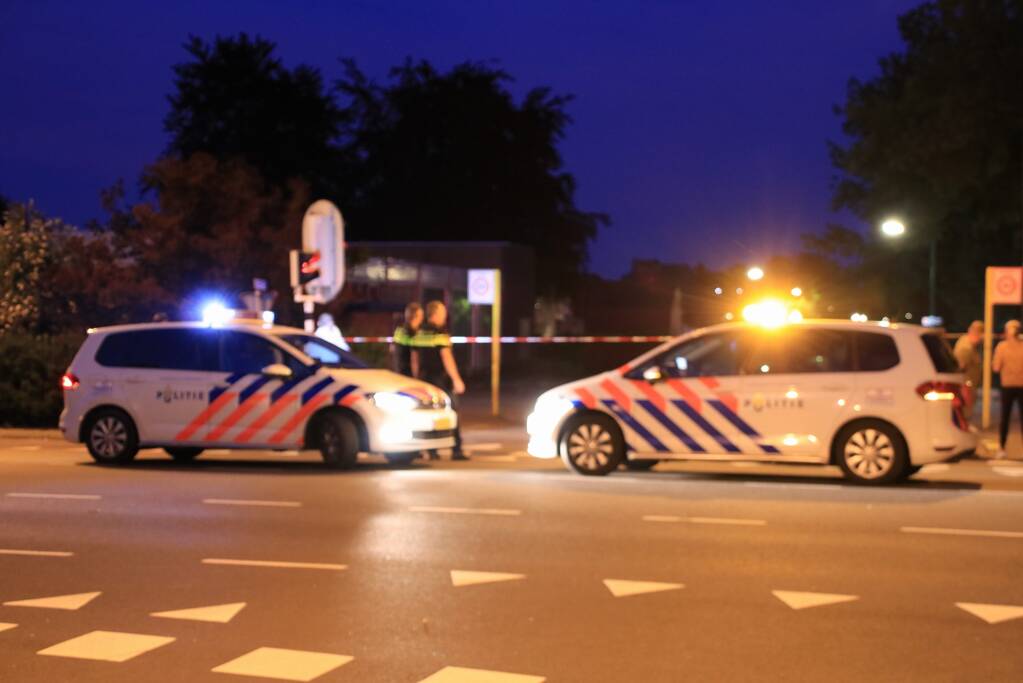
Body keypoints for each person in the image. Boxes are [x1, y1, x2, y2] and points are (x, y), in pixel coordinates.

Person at [416, 300, 467, 460]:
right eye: (443, 313)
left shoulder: (420, 332)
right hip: (440, 379)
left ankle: (431, 450)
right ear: (436, 314)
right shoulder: (440, 333)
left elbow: (415, 358)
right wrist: (457, 379)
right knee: (452, 410)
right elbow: (446, 358)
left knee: (430, 413)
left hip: (425, 379)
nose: (445, 316)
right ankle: (456, 449)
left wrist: (416, 377)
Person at [993, 319, 1023, 459]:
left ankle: (1002, 447)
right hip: (1021, 385)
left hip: (1007, 386)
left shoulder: (1002, 346)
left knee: (1005, 417)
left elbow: (996, 367)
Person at [953, 320, 983, 423]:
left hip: (968, 387)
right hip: (966, 388)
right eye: (981, 336)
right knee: (964, 416)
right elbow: (960, 368)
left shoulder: (969, 346)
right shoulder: (965, 348)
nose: (981, 340)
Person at [392, 302, 423, 377]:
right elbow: (414, 359)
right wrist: (416, 377)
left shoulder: (399, 330)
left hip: (399, 371)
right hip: (409, 374)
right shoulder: (413, 334)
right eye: (421, 316)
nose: (422, 319)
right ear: (415, 316)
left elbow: (392, 349)